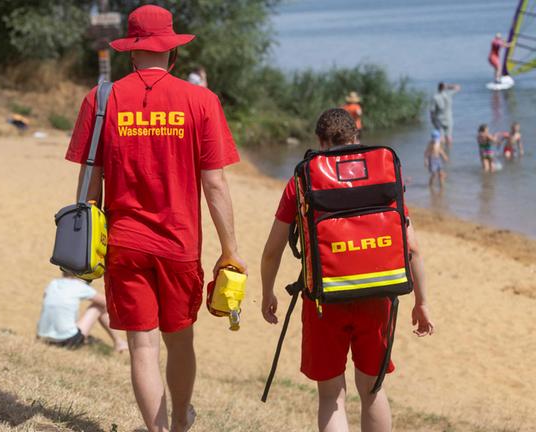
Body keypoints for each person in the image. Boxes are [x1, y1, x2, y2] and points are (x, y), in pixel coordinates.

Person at [65, 5, 245, 431]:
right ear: (173, 53)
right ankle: (181, 419)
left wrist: (85, 238)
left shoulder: (100, 99)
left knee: (142, 346)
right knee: (180, 341)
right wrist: (230, 251)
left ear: (131, 52)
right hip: (180, 245)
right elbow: (214, 185)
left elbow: (89, 184)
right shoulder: (201, 100)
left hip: (124, 244)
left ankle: (158, 430)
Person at [261, 108, 434, 432]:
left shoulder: (303, 177)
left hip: (324, 301)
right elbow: (412, 247)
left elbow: (273, 250)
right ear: (356, 137)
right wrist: (421, 301)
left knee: (331, 397)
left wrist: (267, 291)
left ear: (319, 141)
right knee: (373, 390)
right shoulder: (382, 172)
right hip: (378, 295)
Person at [37, 272, 128, 352]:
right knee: (98, 307)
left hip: (43, 338)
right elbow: (106, 302)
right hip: (67, 340)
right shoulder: (78, 285)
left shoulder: (53, 283)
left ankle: (118, 342)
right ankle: (118, 342)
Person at [430, 82, 461, 152]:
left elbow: (432, 111)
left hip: (439, 120)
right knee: (449, 137)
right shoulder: (448, 94)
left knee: (441, 138)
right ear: (444, 88)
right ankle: (448, 152)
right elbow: (458, 87)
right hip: (449, 119)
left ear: (438, 88)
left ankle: (441, 152)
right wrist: (448, 86)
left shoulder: (435, 97)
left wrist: (432, 120)